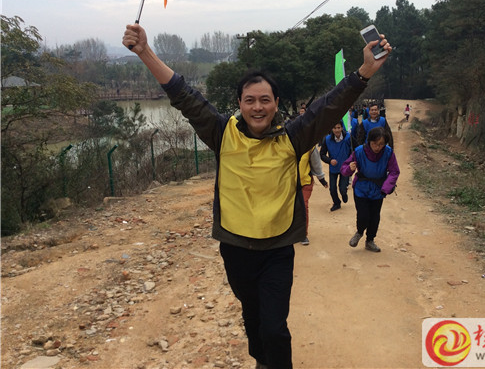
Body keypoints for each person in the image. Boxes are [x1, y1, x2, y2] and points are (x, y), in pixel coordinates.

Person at [122, 23, 391, 369]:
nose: (258, 107)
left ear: (276, 104)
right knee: (253, 318)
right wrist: (145, 52)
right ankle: (262, 361)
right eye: (250, 100)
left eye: (265, 100)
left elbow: (328, 106)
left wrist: (365, 70)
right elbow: (183, 95)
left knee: (275, 327)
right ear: (239, 103)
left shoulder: (293, 137)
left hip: (277, 251)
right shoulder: (222, 133)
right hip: (236, 250)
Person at [340, 126, 400, 252]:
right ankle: (359, 232)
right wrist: (349, 168)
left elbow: (394, 171)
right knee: (363, 215)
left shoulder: (388, 152)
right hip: (361, 189)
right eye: (375, 144)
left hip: (378, 190)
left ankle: (370, 240)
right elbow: (344, 169)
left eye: (381, 144)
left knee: (374, 217)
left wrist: (386, 187)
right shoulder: (359, 152)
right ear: (369, 141)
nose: (377, 147)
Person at [320, 122, 355, 211]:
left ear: (342, 128)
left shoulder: (349, 138)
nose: (337, 130)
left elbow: (356, 149)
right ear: (332, 129)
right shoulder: (327, 139)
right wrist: (329, 160)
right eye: (334, 128)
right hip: (333, 168)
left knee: (342, 188)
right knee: (332, 189)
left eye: (338, 128)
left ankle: (344, 193)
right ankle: (336, 203)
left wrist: (351, 160)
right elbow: (322, 154)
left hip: (345, 168)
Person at [299, 145, 328, 245]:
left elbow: (316, 164)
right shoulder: (284, 143)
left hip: (305, 182)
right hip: (288, 183)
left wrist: (322, 179)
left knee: (303, 206)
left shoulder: (310, 147)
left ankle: (303, 234)